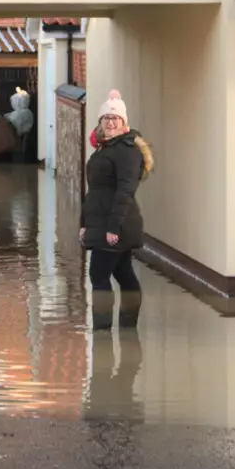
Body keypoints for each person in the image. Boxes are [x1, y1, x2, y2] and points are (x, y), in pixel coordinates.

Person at [79, 90, 154, 330]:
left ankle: (102, 331)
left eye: (115, 119)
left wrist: (113, 227)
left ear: (124, 123)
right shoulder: (107, 147)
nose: (110, 122)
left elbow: (125, 190)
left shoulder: (126, 151)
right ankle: (127, 327)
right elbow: (95, 191)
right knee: (123, 273)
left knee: (98, 275)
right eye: (106, 119)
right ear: (100, 122)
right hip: (102, 222)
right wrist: (84, 223)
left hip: (115, 224)